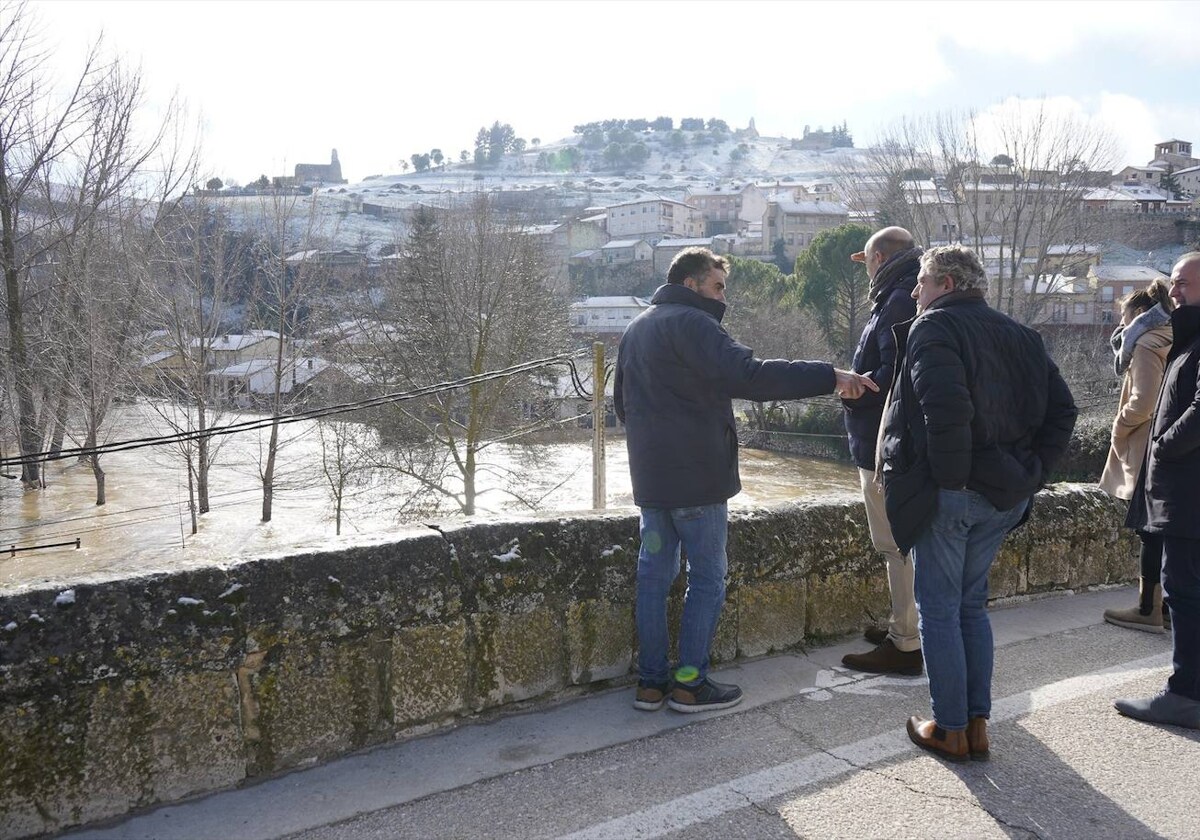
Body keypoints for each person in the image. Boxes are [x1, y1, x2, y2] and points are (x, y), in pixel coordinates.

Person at [615, 246, 877, 713]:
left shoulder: (636, 328)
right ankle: (689, 684)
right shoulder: (694, 324)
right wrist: (830, 376)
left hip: (651, 482)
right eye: (718, 287)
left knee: (653, 579)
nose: (723, 298)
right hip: (698, 479)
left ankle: (651, 684)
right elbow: (750, 376)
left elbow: (621, 406)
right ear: (692, 283)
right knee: (708, 580)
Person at [879, 246, 1077, 761]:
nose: (915, 293)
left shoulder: (934, 328)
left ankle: (948, 729)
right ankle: (977, 724)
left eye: (921, 283)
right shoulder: (1021, 334)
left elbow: (945, 413)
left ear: (943, 283)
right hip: (1004, 494)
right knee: (971, 607)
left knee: (939, 612)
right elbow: (1065, 411)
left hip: (955, 495)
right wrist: (1033, 472)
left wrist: (948, 482)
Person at [1115, 252, 1200, 730]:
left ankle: (1185, 694)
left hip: (1189, 497)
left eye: (1184, 283)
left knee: (1185, 594)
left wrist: (1165, 446)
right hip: (1186, 493)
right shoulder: (1186, 335)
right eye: (1173, 283)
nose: (1174, 292)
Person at [840, 227, 924, 676]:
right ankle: (906, 626)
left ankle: (906, 641)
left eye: (866, 261)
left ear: (877, 258)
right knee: (904, 542)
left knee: (895, 544)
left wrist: (852, 389)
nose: (866, 269)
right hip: (895, 439)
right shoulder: (910, 291)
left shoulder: (896, 300)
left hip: (883, 442)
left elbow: (893, 375)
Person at [1099, 280, 1174, 633]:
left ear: (1140, 315)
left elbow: (1144, 400)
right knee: (1171, 528)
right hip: (1171, 445)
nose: (1121, 326)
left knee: (1149, 528)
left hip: (1147, 444)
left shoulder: (1146, 342)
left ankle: (1148, 608)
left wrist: (1120, 427)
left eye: (1124, 317)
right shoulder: (1174, 336)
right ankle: (1169, 606)